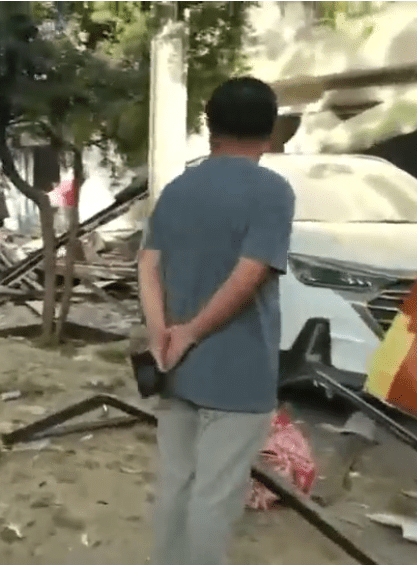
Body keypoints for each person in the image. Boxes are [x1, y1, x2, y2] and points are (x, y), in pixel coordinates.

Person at [138, 77, 296, 565]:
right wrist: (190, 333)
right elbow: (249, 274)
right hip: (239, 373)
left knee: (176, 485)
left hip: (173, 369)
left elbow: (147, 265)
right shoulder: (273, 191)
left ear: (212, 129)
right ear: (270, 133)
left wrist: (161, 335)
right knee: (214, 497)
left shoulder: (179, 189)